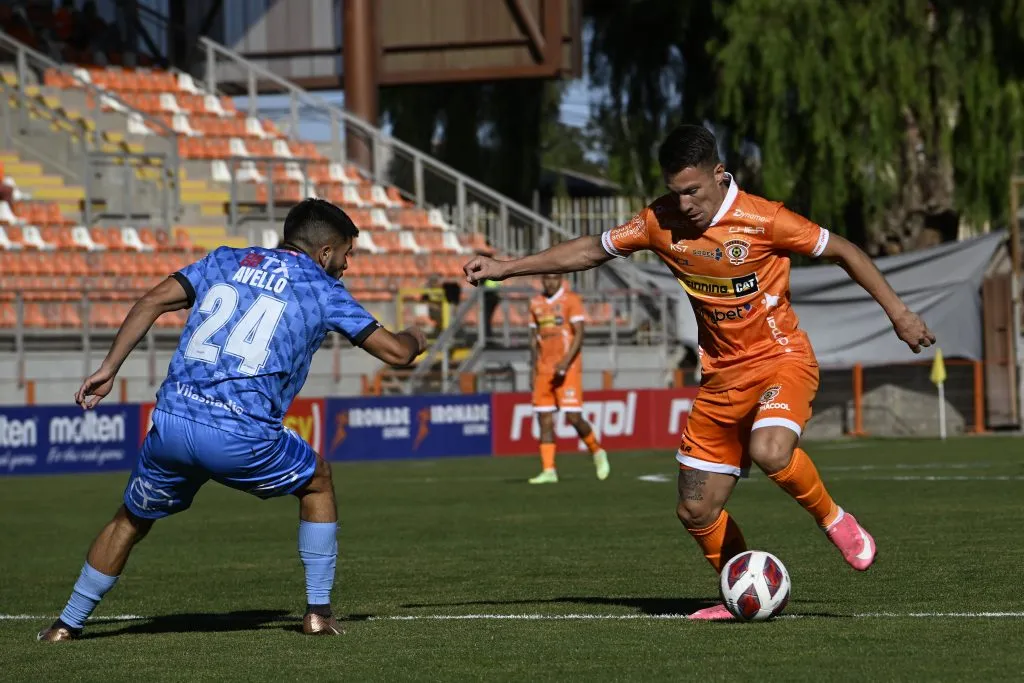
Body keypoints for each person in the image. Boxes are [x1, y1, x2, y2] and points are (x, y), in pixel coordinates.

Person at [463, 125, 935, 620]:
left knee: (770, 450)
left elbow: (845, 250)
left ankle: (835, 519)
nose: (684, 203)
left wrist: (899, 314)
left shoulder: (764, 219)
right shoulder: (658, 221)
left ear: (719, 174)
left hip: (781, 360)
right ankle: (739, 592)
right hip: (719, 380)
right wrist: (506, 267)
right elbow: (589, 250)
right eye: (675, 191)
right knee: (695, 509)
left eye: (693, 191)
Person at [37, 199, 427, 641]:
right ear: (324, 253)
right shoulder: (321, 288)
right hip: (240, 435)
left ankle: (65, 625)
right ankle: (318, 612)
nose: (346, 265)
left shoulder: (223, 260)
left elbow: (150, 301)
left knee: (130, 519)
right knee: (317, 479)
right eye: (345, 254)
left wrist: (109, 367)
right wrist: (417, 334)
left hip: (174, 423)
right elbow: (395, 353)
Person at [527, 273, 609, 484]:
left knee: (573, 417)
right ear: (542, 280)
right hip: (544, 370)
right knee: (544, 420)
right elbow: (534, 340)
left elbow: (580, 334)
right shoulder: (535, 303)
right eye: (546, 278)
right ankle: (549, 470)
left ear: (561, 279)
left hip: (567, 368)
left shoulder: (570, 300)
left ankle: (597, 451)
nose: (550, 281)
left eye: (554, 278)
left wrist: (566, 361)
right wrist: (533, 369)